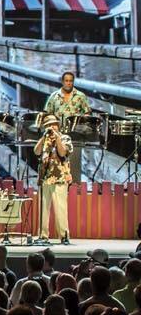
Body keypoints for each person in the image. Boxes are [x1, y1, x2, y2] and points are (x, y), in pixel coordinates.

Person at [44, 71, 91, 182]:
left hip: (75, 136)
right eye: (66, 81)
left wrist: (81, 122)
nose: (69, 83)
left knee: (74, 164)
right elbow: (47, 114)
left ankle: (75, 189)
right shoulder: (54, 96)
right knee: (57, 164)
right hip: (57, 135)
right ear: (62, 81)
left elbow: (87, 113)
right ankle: (57, 186)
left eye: (71, 81)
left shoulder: (80, 96)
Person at [34, 114, 73, 245]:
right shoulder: (45, 140)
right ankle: (43, 236)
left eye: (53, 124)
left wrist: (57, 137)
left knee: (60, 209)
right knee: (43, 210)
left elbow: (62, 153)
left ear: (58, 125)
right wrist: (43, 137)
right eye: (48, 125)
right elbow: (36, 152)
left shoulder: (65, 138)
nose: (51, 127)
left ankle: (64, 236)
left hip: (60, 178)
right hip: (45, 178)